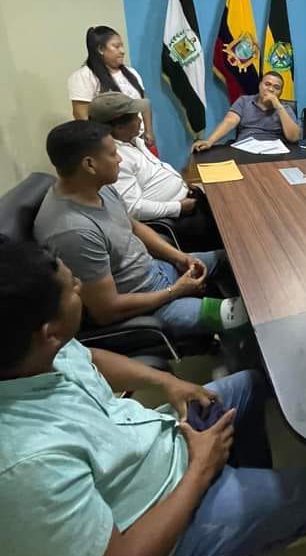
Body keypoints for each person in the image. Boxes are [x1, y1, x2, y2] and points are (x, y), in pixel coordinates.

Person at [0, 240, 306, 556]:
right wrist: (201, 470)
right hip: (162, 526)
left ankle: (248, 491)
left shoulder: (34, 352)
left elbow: (88, 358)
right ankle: (262, 532)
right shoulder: (23, 467)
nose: (79, 287)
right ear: (49, 332)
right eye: (71, 287)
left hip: (161, 443)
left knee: (250, 386)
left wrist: (167, 383)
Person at [34, 120, 245, 342]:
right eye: (113, 154)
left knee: (237, 259)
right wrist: (175, 291)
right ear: (89, 164)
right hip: (147, 307)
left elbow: (133, 226)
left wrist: (180, 258)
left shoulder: (97, 188)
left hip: (158, 271)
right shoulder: (73, 233)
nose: (119, 159)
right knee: (241, 317)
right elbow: (106, 310)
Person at [88, 92, 221, 252]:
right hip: (173, 218)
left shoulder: (134, 141)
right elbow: (133, 208)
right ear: (118, 127)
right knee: (226, 227)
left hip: (186, 200)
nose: (140, 120)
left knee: (224, 203)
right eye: (135, 117)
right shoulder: (116, 159)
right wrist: (178, 207)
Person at [68, 26, 155, 148]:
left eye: (122, 46)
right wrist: (101, 145)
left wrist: (148, 130)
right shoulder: (83, 77)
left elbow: (144, 103)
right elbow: (82, 117)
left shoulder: (131, 73)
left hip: (138, 139)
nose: (122, 51)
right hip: (113, 144)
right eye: (116, 46)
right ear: (100, 49)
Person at [192, 71, 300, 151]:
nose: (271, 89)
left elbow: (294, 138)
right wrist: (209, 141)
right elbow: (229, 121)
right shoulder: (244, 101)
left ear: (280, 92)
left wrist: (278, 106)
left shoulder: (285, 109)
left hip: (273, 152)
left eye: (276, 87)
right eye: (267, 84)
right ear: (260, 85)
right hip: (245, 149)